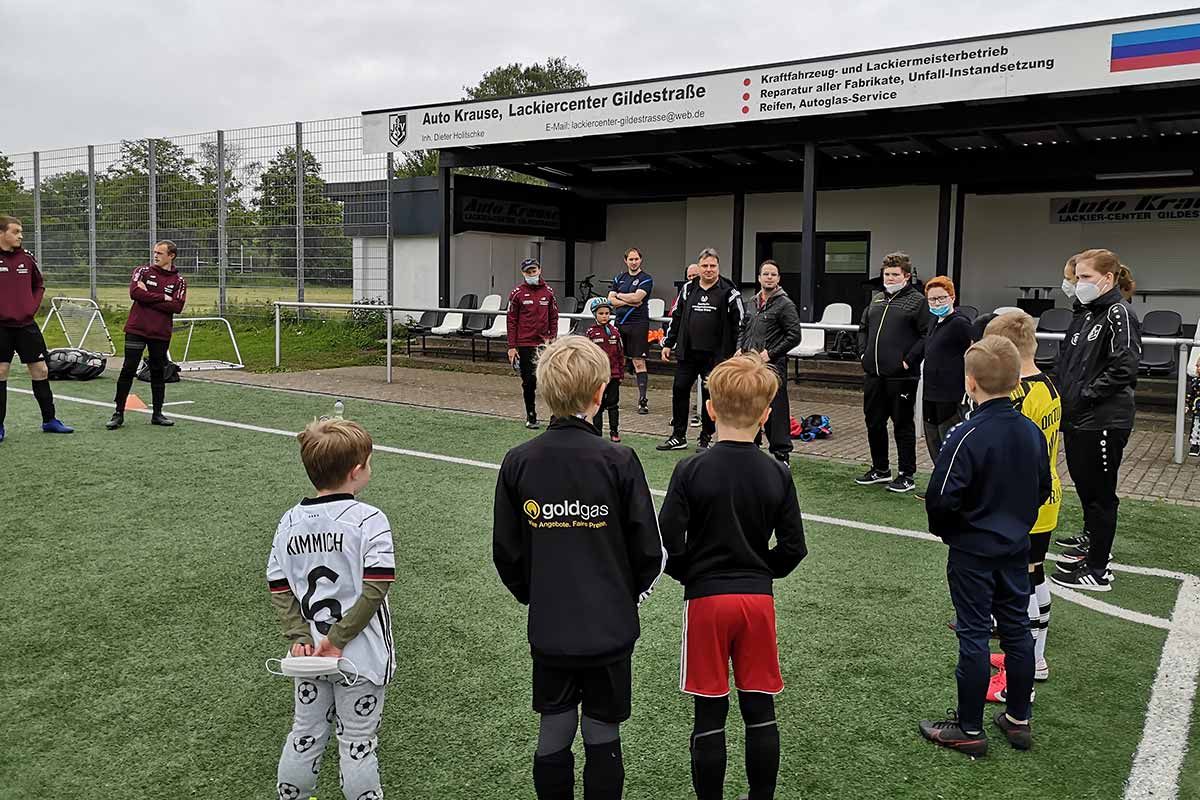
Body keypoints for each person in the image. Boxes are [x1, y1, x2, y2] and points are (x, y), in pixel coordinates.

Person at [492, 336, 665, 800]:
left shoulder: (519, 461)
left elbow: (506, 552)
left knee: (554, 725)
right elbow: (649, 551)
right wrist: (622, 595)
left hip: (551, 626)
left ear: (544, 392)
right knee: (603, 730)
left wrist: (539, 594)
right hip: (609, 627)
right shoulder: (619, 459)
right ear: (600, 393)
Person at [659, 355, 807, 800]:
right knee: (760, 706)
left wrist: (695, 575)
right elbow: (793, 548)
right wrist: (759, 573)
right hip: (756, 602)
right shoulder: (777, 471)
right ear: (766, 415)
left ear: (709, 408)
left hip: (706, 602)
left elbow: (667, 544)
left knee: (709, 712)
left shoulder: (690, 469)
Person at [919, 336, 1050, 757]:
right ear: (1016, 381)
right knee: (1017, 630)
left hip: (973, 552)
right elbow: (1043, 487)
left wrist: (950, 532)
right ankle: (1018, 719)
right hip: (1015, 549)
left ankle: (969, 727)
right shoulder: (1031, 432)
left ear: (970, 382)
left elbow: (941, 497)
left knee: (973, 632)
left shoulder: (966, 434)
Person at [266, 418, 395, 800]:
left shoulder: (289, 521)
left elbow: (278, 585)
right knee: (357, 742)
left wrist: (299, 635)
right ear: (357, 471)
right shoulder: (370, 519)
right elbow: (376, 586)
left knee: (305, 733)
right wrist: (338, 640)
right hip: (360, 658)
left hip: (309, 657)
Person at [981, 312, 1062, 702]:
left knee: (1019, 587)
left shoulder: (1017, 398)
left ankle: (1021, 676)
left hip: (1022, 503)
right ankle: (1036, 658)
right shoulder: (1048, 385)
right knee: (1034, 574)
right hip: (1047, 498)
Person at [1052, 250, 1140, 592]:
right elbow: (1068, 364)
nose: (1079, 284)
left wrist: (1086, 396)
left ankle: (1098, 569)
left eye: (1086, 277)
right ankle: (1092, 544)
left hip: (1104, 418)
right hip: (1079, 418)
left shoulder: (1119, 313)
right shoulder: (1086, 314)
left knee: (1101, 494)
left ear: (1108, 278)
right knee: (1086, 487)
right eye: (1077, 277)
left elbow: (1125, 366)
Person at [855, 252, 931, 493]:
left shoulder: (918, 301)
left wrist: (908, 361)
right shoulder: (877, 299)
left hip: (902, 377)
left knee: (902, 425)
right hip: (874, 375)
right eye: (887, 274)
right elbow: (863, 328)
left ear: (906, 276)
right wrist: (863, 355)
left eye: (895, 274)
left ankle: (906, 475)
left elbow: (925, 335)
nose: (890, 278)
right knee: (874, 422)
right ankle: (880, 469)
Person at [658, 248, 745, 452]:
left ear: (718, 267)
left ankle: (706, 437)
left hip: (715, 356)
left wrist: (739, 349)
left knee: (709, 396)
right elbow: (676, 317)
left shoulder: (729, 291)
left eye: (712, 266)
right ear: (699, 267)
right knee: (679, 389)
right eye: (705, 265)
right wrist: (668, 343)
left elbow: (740, 323)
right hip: (688, 353)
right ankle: (678, 436)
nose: (708, 269)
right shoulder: (689, 288)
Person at [0, 215, 73, 440]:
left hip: (26, 325)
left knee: (41, 370)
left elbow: (38, 285)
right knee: (1, 372)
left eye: (21, 232)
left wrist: (31, 307)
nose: (20, 236)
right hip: (1, 327)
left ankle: (50, 420)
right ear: (1, 233)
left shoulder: (27, 258)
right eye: (15, 231)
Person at [106, 240, 187, 429]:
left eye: (160, 253)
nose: (155, 256)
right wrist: (163, 297)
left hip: (160, 332)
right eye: (155, 252)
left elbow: (177, 306)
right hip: (137, 329)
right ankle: (118, 413)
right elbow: (135, 293)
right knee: (128, 369)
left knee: (158, 371)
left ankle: (157, 414)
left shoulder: (179, 281)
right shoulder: (142, 271)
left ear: (171, 256)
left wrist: (148, 296)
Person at [737, 259, 803, 464]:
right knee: (750, 408)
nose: (769, 277)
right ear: (759, 278)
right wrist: (740, 347)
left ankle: (782, 455)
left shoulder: (785, 304)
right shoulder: (751, 302)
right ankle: (751, 449)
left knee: (776, 411)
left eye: (773, 274)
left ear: (778, 279)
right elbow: (743, 328)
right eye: (766, 274)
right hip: (749, 365)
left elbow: (794, 336)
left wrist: (771, 353)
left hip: (772, 367)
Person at [919, 276, 973, 465]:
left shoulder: (960, 323)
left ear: (952, 297)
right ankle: (939, 478)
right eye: (932, 299)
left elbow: (974, 350)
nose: (937, 303)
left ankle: (953, 480)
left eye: (941, 298)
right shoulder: (934, 321)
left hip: (950, 396)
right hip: (930, 393)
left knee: (950, 443)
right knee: (933, 441)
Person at [507, 257, 559, 430]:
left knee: (550, 380)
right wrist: (512, 346)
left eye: (534, 271)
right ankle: (531, 416)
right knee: (529, 382)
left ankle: (556, 416)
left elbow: (554, 317)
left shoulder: (549, 292)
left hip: (544, 344)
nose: (531, 274)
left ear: (540, 270)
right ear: (523, 273)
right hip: (525, 344)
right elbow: (511, 321)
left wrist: (552, 339)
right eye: (528, 272)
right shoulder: (517, 293)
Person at [608, 247, 655, 415]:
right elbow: (610, 300)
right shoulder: (619, 278)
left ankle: (642, 401)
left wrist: (620, 296)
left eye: (636, 259)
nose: (634, 262)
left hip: (638, 323)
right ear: (625, 260)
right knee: (617, 360)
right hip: (620, 323)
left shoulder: (646, 278)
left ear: (641, 260)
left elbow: (638, 298)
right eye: (631, 259)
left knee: (638, 362)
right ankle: (611, 399)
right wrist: (628, 299)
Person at [586, 297, 626, 442]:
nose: (604, 316)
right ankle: (597, 433)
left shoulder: (615, 332)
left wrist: (620, 374)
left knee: (613, 404)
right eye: (601, 313)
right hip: (598, 377)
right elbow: (587, 356)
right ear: (595, 314)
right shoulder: (591, 332)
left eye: (607, 313)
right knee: (598, 405)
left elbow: (620, 354)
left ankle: (614, 432)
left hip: (613, 375)